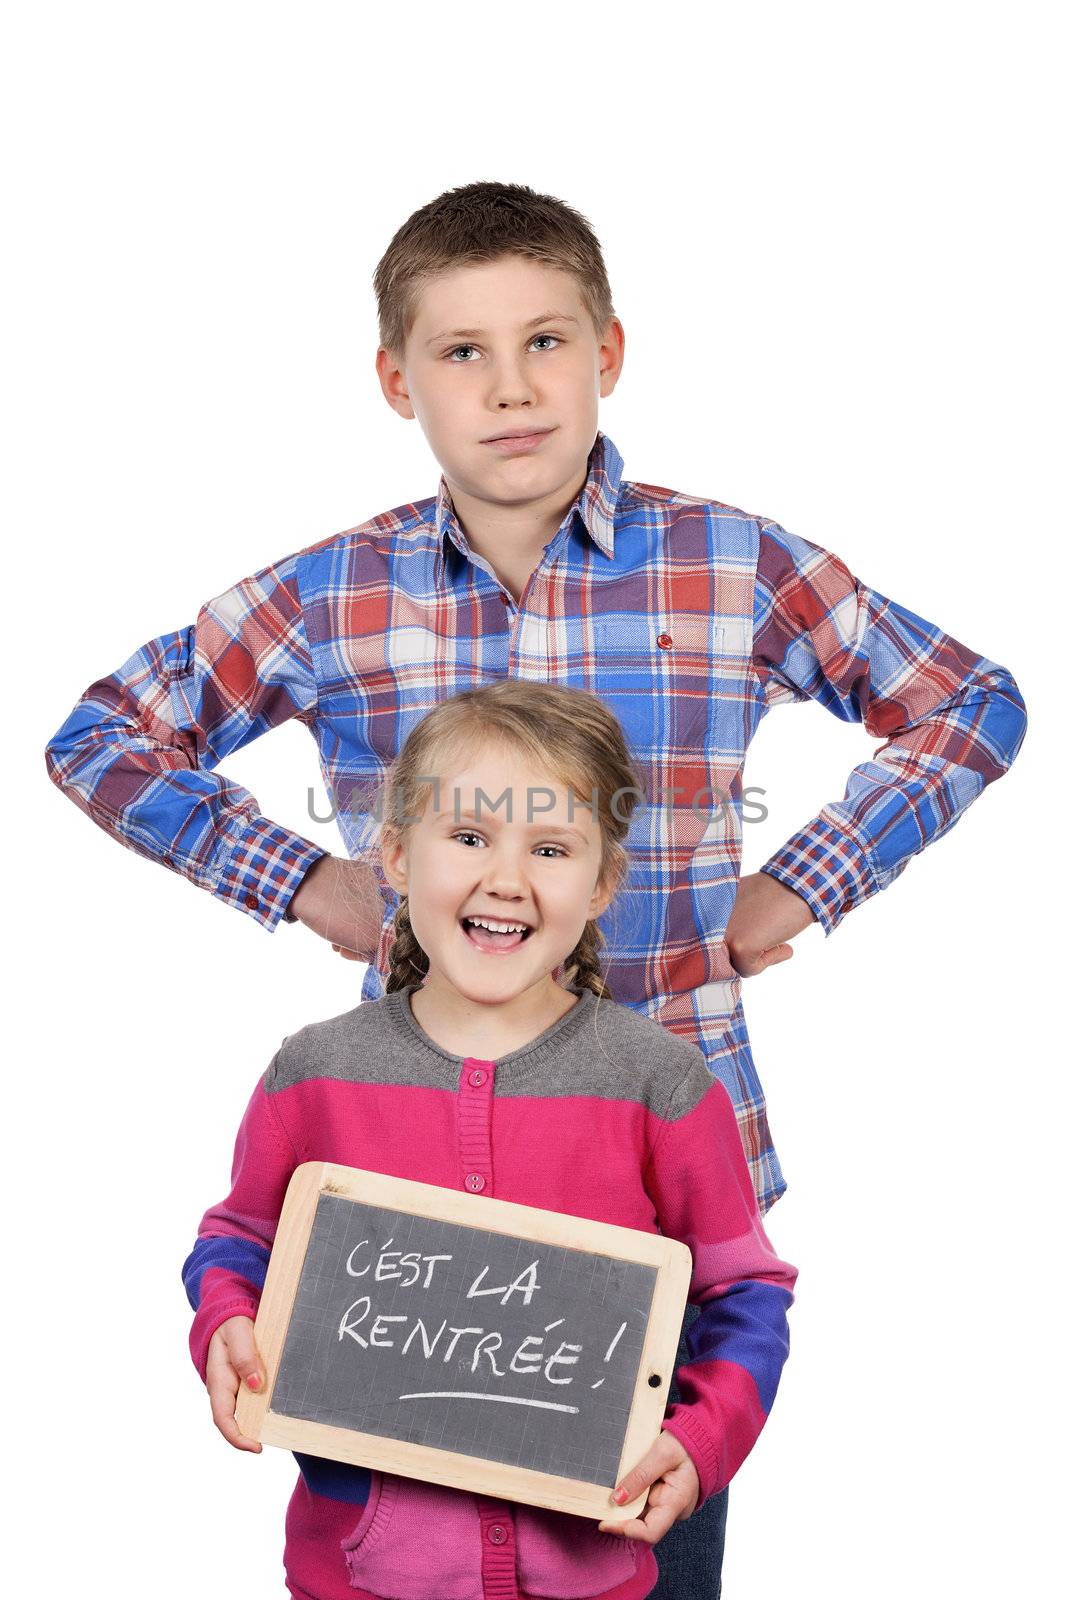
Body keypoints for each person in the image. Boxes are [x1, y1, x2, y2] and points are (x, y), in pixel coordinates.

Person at [44, 180, 1027, 1593]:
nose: (510, 390)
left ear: (607, 352)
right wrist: (306, 883)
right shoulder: (333, 596)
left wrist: (799, 885)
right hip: (406, 1202)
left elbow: (966, 703)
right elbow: (102, 737)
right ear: (397, 380)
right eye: (460, 353)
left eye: (545, 343)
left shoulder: (732, 565)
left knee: (644, 1549)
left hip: (662, 1172)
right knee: (394, 1553)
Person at [182, 679, 797, 1600]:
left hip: (593, 1575)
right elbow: (238, 1241)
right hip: (359, 1576)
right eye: (468, 837)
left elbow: (742, 1290)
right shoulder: (313, 1076)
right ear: (393, 853)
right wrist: (225, 1317)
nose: (505, 878)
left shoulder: (660, 1086)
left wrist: (701, 1438)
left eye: (548, 849)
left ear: (598, 885)